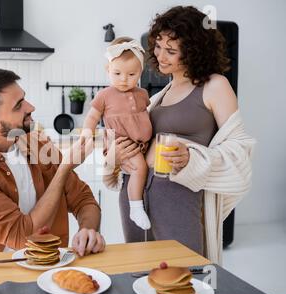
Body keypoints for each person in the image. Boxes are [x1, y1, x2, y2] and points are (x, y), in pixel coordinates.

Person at [103, 6, 255, 264]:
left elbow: (240, 148)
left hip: (176, 199)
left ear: (195, 52)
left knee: (183, 275)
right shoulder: (161, 93)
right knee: (140, 274)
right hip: (135, 197)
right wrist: (116, 155)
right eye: (159, 46)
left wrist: (192, 158)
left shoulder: (214, 86)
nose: (161, 55)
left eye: (171, 50)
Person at [0, 67, 106, 256]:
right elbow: (22, 237)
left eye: (24, 98)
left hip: (53, 265)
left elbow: (83, 200)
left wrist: (87, 230)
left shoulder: (37, 143)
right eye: (18, 105)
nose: (30, 107)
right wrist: (64, 169)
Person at [82, 36, 152, 232]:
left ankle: (139, 202)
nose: (124, 79)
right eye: (118, 73)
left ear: (140, 73)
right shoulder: (104, 95)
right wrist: (87, 134)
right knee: (139, 168)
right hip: (121, 142)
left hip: (140, 143)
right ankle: (135, 207)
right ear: (108, 70)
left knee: (142, 169)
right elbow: (92, 117)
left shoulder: (142, 94)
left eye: (131, 74)